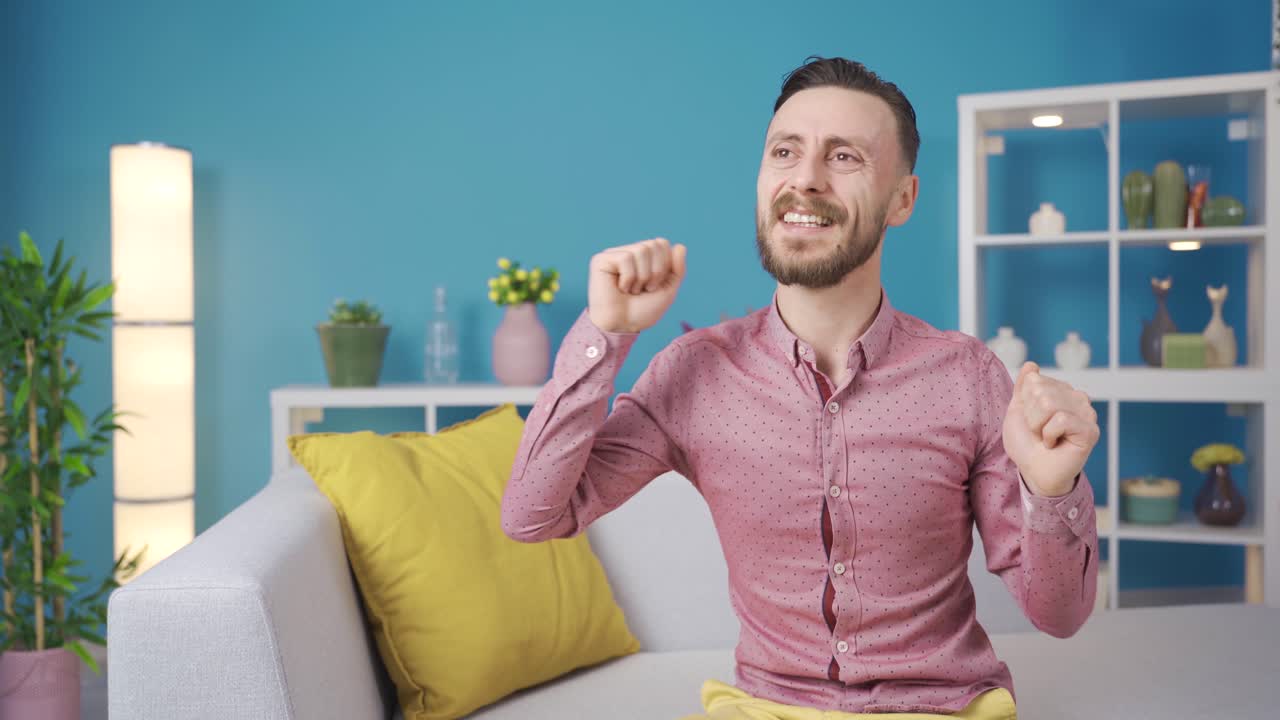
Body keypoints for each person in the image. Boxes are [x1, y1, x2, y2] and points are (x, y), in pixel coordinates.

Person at [501, 56, 1099, 720]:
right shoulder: (695, 372)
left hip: (941, 709)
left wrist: (1053, 490)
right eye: (784, 152)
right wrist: (606, 333)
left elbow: (1060, 617)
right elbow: (532, 517)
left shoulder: (967, 377)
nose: (805, 178)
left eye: (844, 157)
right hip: (765, 707)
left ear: (902, 200)